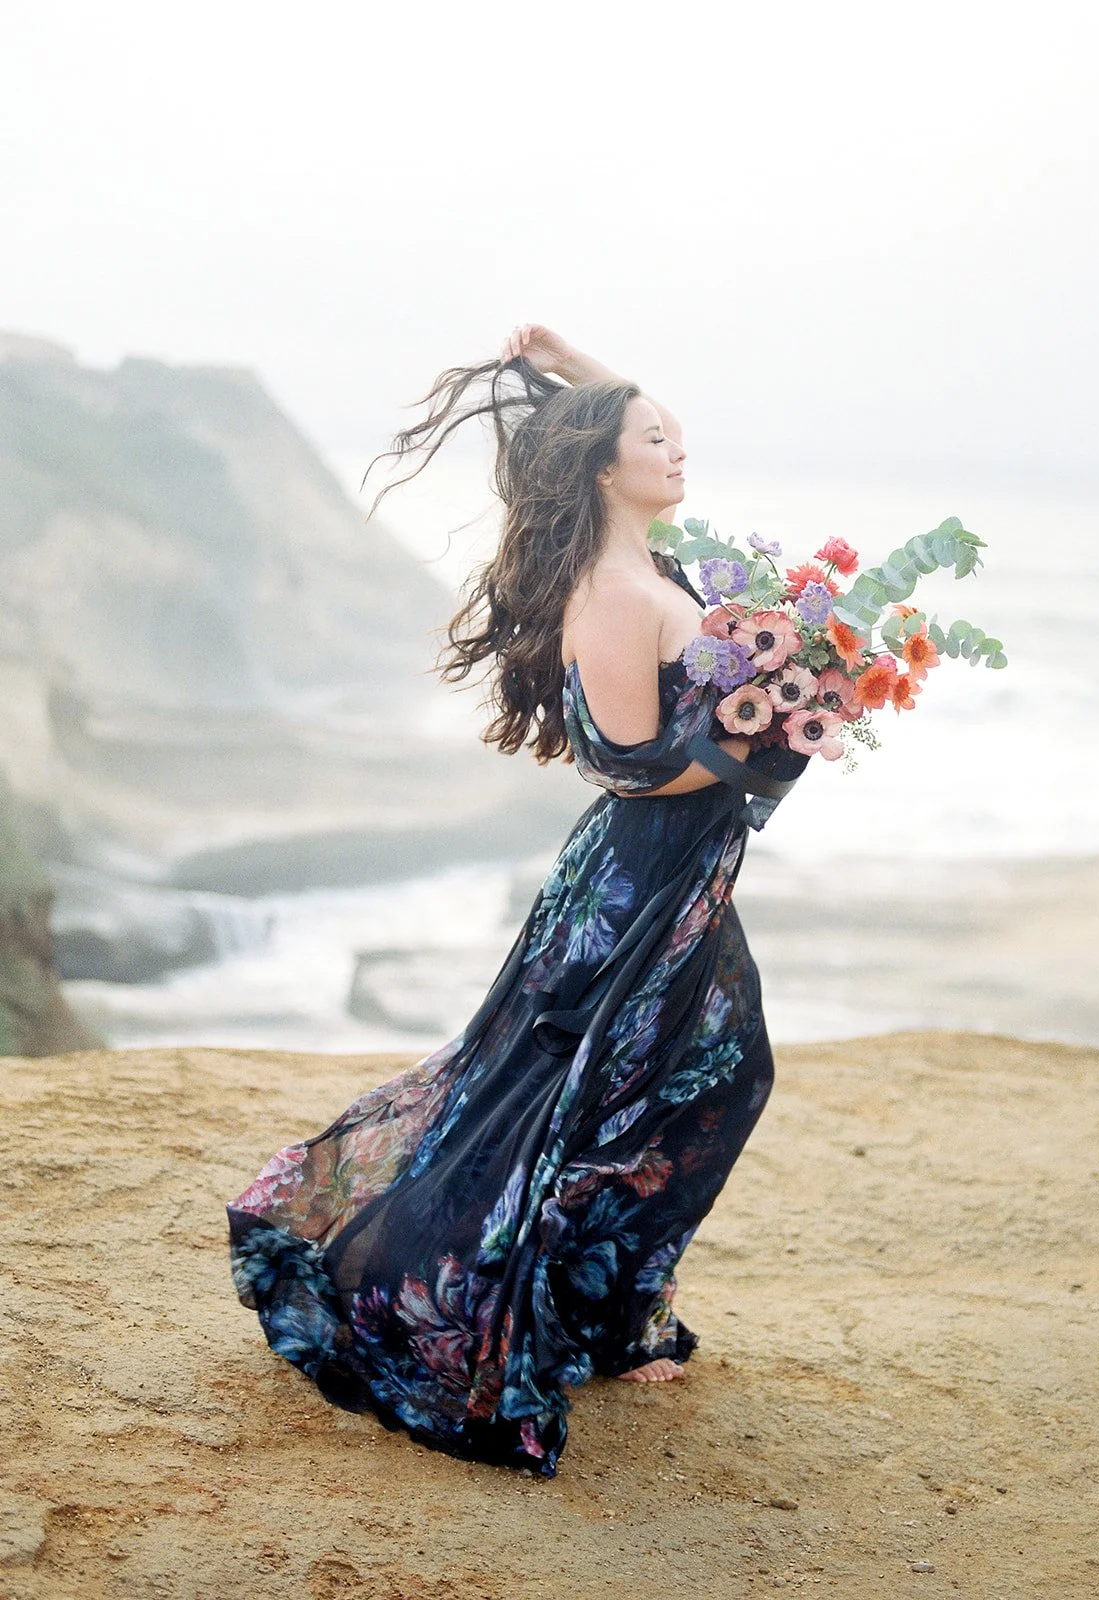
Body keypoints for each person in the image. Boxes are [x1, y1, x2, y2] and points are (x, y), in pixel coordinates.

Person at [225, 324, 807, 1480]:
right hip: (636, 883)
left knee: (710, 1072)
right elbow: (633, 761)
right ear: (603, 466)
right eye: (654, 438)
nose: (677, 449)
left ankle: (608, 1312)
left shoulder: (650, 559)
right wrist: (772, 741)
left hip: (677, 876)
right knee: (590, 1099)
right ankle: (549, 1312)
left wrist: (585, 367)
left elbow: (631, 433)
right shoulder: (612, 590)